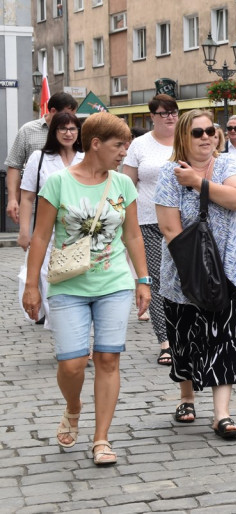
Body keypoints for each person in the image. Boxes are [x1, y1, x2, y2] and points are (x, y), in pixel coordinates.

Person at [22, 111, 150, 466]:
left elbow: (133, 234)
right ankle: (73, 406)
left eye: (126, 145)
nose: (125, 151)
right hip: (68, 285)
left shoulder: (123, 185)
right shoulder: (59, 183)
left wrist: (142, 279)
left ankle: (101, 439)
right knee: (72, 363)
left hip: (114, 284)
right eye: (119, 145)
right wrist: (31, 285)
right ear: (95, 144)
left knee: (108, 359)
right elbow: (41, 236)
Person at [154, 110, 236, 439]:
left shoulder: (228, 165)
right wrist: (194, 269)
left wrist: (198, 183)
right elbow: (168, 226)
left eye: (210, 130)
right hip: (183, 273)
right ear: (183, 137)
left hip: (229, 271)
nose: (207, 136)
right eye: (198, 132)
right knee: (184, 341)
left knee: (225, 340)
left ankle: (222, 414)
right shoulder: (170, 172)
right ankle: (187, 397)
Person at [122, 94, 178, 366]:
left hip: (182, 221)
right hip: (147, 220)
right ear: (153, 116)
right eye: (163, 112)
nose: (169, 117)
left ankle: (186, 333)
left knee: (184, 279)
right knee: (154, 280)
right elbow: (127, 183)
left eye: (173, 112)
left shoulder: (186, 139)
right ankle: (165, 341)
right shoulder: (140, 145)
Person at [17, 112, 84, 327]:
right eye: (62, 128)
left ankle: (82, 337)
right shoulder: (40, 158)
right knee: (49, 283)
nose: (68, 133)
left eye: (73, 128)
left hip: (81, 233)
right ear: (54, 132)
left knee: (80, 284)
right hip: (48, 234)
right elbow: (27, 197)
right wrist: (24, 231)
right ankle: (62, 333)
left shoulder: (86, 157)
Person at [5, 92, 78, 223]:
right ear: (53, 111)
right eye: (66, 114)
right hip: (35, 206)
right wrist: (12, 199)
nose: (70, 119)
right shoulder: (28, 130)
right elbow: (14, 165)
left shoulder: (74, 133)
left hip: (72, 208)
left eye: (73, 115)